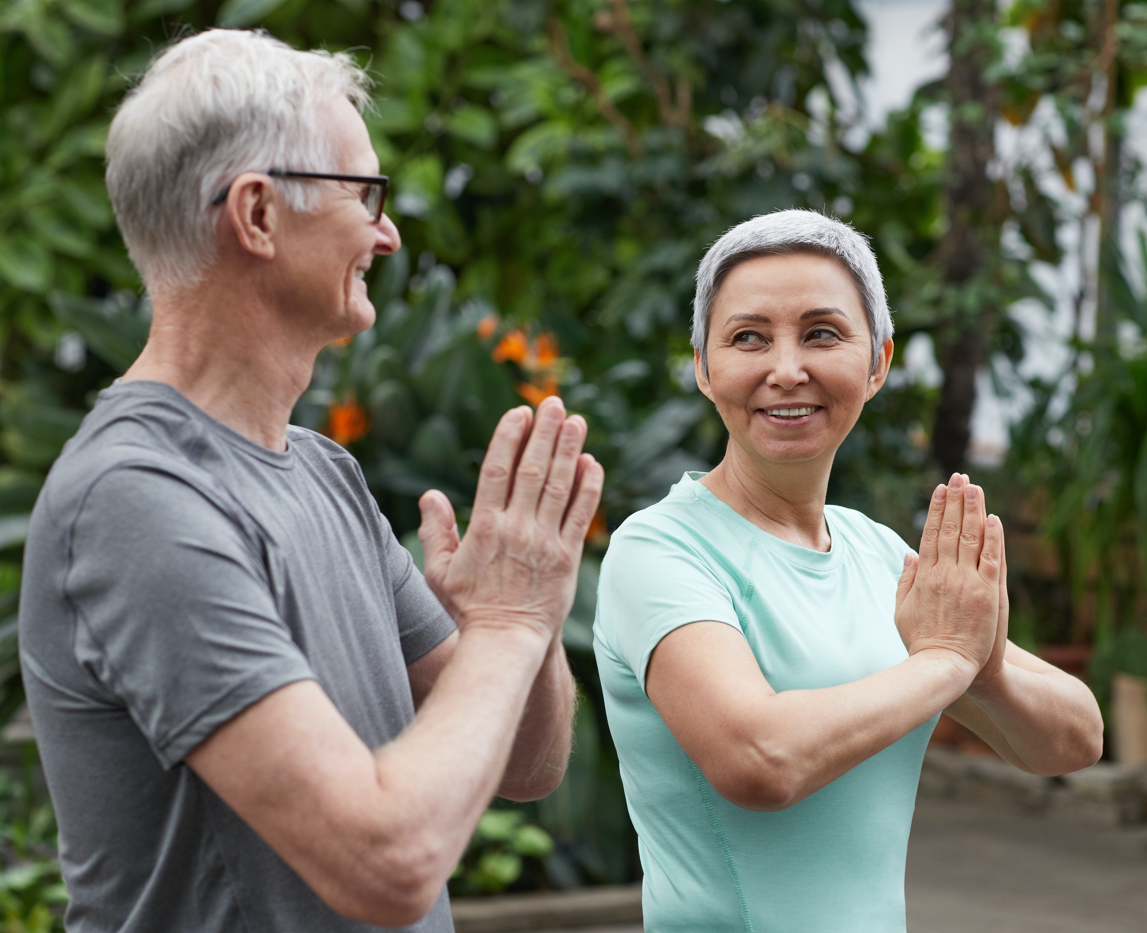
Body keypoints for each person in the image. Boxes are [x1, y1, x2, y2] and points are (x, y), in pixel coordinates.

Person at [18, 29, 603, 933]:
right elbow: (387, 861)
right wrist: (510, 620)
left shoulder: (323, 471)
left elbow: (528, 765)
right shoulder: (135, 498)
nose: (388, 230)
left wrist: (525, 618)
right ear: (256, 215)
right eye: (365, 192)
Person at [593, 210, 1104, 933]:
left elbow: (1074, 739)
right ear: (704, 369)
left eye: (821, 332)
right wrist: (946, 660)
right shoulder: (661, 551)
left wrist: (982, 669)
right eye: (747, 337)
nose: (785, 368)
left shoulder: (872, 551)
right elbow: (758, 758)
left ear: (877, 363)